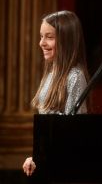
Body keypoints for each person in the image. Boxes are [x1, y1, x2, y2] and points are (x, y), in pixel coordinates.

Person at [22, 10, 90, 176]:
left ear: (66, 41)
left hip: (62, 168)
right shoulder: (50, 74)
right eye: (41, 36)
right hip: (48, 163)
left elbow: (72, 134)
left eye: (49, 37)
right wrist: (35, 157)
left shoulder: (75, 76)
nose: (41, 43)